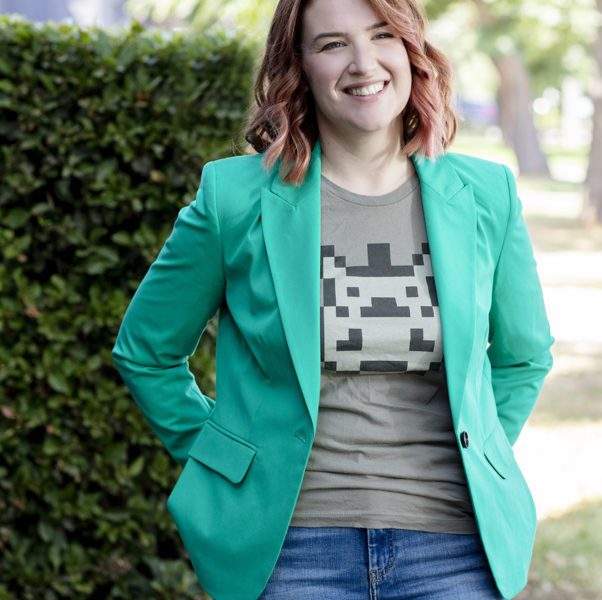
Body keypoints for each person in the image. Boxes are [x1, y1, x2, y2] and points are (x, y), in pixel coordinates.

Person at [112, 0, 554, 598]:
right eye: (332, 44)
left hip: (454, 547)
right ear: (298, 65)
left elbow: (524, 357)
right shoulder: (235, 198)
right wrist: (223, 456)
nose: (363, 62)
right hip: (292, 551)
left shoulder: (487, 194)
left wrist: (481, 445)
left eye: (382, 35)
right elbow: (146, 351)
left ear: (411, 52)